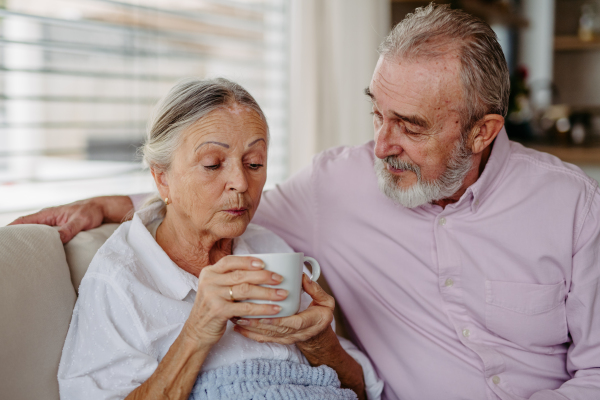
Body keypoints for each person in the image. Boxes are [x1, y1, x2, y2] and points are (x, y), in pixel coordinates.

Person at [12, 4, 600, 400]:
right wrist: (103, 204)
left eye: (411, 127)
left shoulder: (572, 204)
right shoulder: (337, 184)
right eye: (377, 112)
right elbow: (214, 199)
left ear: (482, 132)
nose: (381, 144)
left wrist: (322, 347)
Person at [55, 77, 383, 400]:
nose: (241, 182)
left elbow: (360, 390)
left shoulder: (270, 247)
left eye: (255, 163)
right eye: (213, 164)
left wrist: (321, 343)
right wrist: (196, 333)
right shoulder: (120, 279)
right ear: (162, 178)